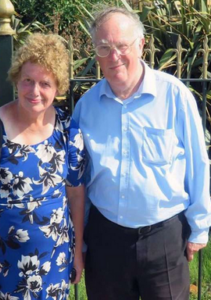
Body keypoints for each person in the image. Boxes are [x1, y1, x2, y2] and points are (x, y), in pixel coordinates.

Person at [72, 6, 211, 300]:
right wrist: (81, 239)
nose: (114, 56)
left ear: (141, 45)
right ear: (95, 51)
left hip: (164, 238)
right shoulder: (86, 107)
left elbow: (198, 163)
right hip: (105, 237)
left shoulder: (174, 96)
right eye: (104, 47)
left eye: (122, 46)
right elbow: (80, 177)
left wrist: (199, 227)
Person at [0, 33, 85, 300]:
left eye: (45, 83)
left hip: (56, 262)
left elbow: (75, 193)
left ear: (57, 88)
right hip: (3, 264)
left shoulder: (68, 130)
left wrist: (77, 252)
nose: (35, 91)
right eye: (28, 80)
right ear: (17, 79)